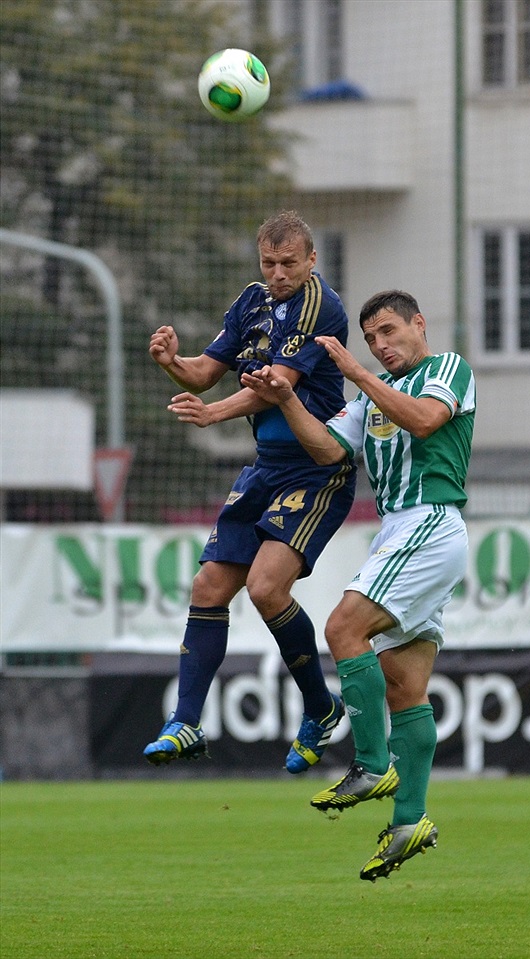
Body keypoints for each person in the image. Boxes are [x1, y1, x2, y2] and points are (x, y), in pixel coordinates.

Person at [242, 289, 476, 881]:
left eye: (390, 331)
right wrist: (289, 398)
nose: (379, 345)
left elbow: (424, 419)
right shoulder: (370, 398)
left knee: (343, 627)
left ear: (419, 324)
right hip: (401, 530)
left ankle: (372, 764)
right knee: (404, 686)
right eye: (370, 339)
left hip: (428, 519)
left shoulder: (447, 369)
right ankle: (409, 821)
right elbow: (326, 449)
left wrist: (353, 371)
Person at [143, 210, 356, 774]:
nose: (279, 273)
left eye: (290, 263)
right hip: (266, 467)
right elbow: (203, 372)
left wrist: (213, 414)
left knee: (265, 587)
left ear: (312, 261)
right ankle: (186, 720)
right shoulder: (250, 302)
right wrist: (172, 363)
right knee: (209, 583)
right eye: (269, 262)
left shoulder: (320, 306)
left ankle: (319, 707)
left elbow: (276, 386)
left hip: (316, 470)